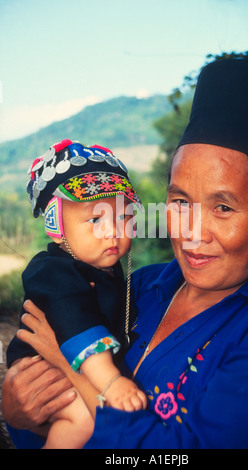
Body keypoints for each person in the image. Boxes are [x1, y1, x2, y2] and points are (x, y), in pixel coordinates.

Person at [2, 58, 248, 449]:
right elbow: (46, 420)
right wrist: (20, 412)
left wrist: (68, 366)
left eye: (223, 207)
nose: (191, 232)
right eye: (180, 201)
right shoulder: (139, 287)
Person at [5, 139, 147, 449]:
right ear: (56, 225)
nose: (113, 230)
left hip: (74, 366)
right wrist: (110, 380)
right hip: (41, 368)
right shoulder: (53, 271)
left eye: (123, 217)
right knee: (83, 418)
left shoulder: (105, 267)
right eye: (95, 220)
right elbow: (76, 320)